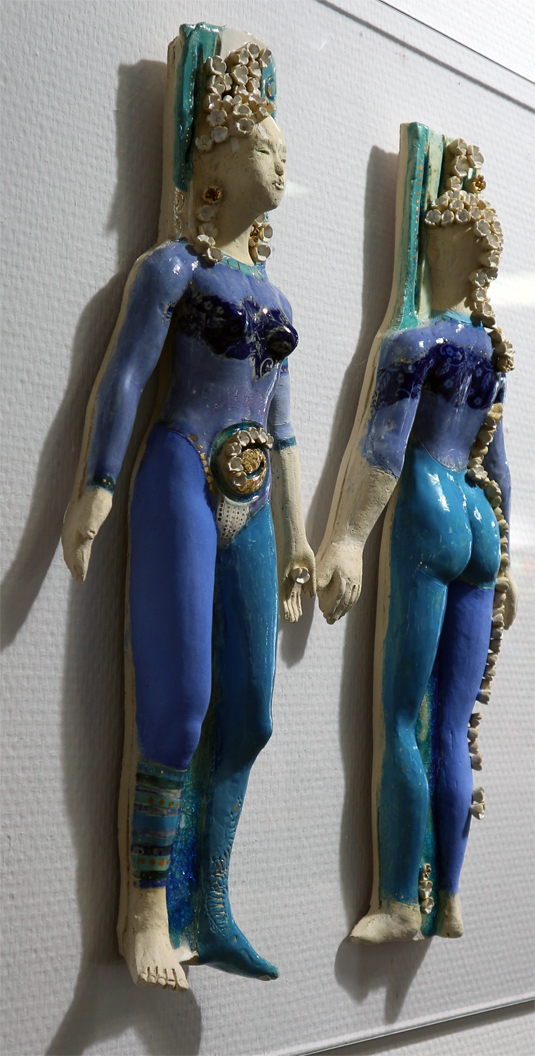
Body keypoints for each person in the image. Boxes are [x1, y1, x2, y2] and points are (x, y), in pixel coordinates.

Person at [62, 24, 315, 990]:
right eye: (264, 145)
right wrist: (95, 488)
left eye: (284, 149)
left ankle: (208, 902)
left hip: (254, 490)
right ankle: (146, 911)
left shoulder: (276, 296)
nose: (281, 160)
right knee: (177, 702)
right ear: (213, 161)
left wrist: (299, 535)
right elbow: (126, 378)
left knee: (249, 711)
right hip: (181, 466)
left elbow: (283, 424)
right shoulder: (172, 268)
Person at [316, 124, 518, 944]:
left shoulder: (416, 342)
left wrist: (346, 537)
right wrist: (506, 563)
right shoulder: (491, 352)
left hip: (431, 506)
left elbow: (383, 449)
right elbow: (497, 464)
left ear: (440, 251)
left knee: (404, 716)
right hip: (477, 519)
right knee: (452, 722)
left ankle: (402, 899)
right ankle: (451, 898)